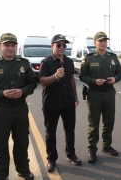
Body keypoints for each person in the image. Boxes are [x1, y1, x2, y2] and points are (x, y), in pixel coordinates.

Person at [0, 33, 37, 180]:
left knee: (22, 141)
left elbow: (32, 83)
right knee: (0, 142)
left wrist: (22, 91)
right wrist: (3, 93)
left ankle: (23, 169)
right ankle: (1, 174)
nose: (9, 48)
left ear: (16, 47)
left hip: (20, 108)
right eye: (6, 45)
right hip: (0, 109)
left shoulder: (24, 63)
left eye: (12, 45)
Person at [39, 34, 81, 173]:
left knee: (70, 130)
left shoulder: (69, 61)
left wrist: (75, 96)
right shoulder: (46, 62)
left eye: (64, 45)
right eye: (59, 45)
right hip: (51, 103)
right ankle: (51, 158)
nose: (62, 47)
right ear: (52, 46)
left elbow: (72, 80)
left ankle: (71, 154)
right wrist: (55, 76)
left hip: (68, 101)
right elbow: (43, 82)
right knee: (50, 132)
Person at [79, 31, 121, 164]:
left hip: (109, 93)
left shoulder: (113, 57)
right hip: (94, 94)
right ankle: (92, 150)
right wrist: (93, 81)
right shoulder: (89, 58)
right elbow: (82, 76)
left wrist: (115, 79)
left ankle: (107, 146)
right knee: (94, 123)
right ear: (95, 43)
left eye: (105, 41)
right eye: (100, 41)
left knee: (109, 121)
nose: (103, 43)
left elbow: (120, 72)